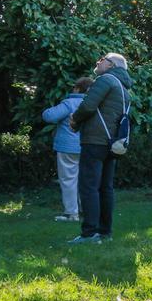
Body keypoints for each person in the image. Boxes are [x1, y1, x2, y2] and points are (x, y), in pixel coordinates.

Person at [68, 53, 132, 243]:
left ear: (112, 65)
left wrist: (74, 120)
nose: (98, 61)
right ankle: (105, 232)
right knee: (105, 188)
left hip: (95, 141)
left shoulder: (106, 79)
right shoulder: (123, 88)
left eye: (102, 59)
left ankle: (89, 233)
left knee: (89, 187)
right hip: (112, 144)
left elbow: (88, 106)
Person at [43, 77, 94, 222]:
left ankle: (71, 213)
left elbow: (49, 116)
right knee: (85, 180)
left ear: (77, 88)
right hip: (88, 145)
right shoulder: (93, 103)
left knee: (68, 179)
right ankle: (86, 209)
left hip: (68, 147)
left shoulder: (69, 103)